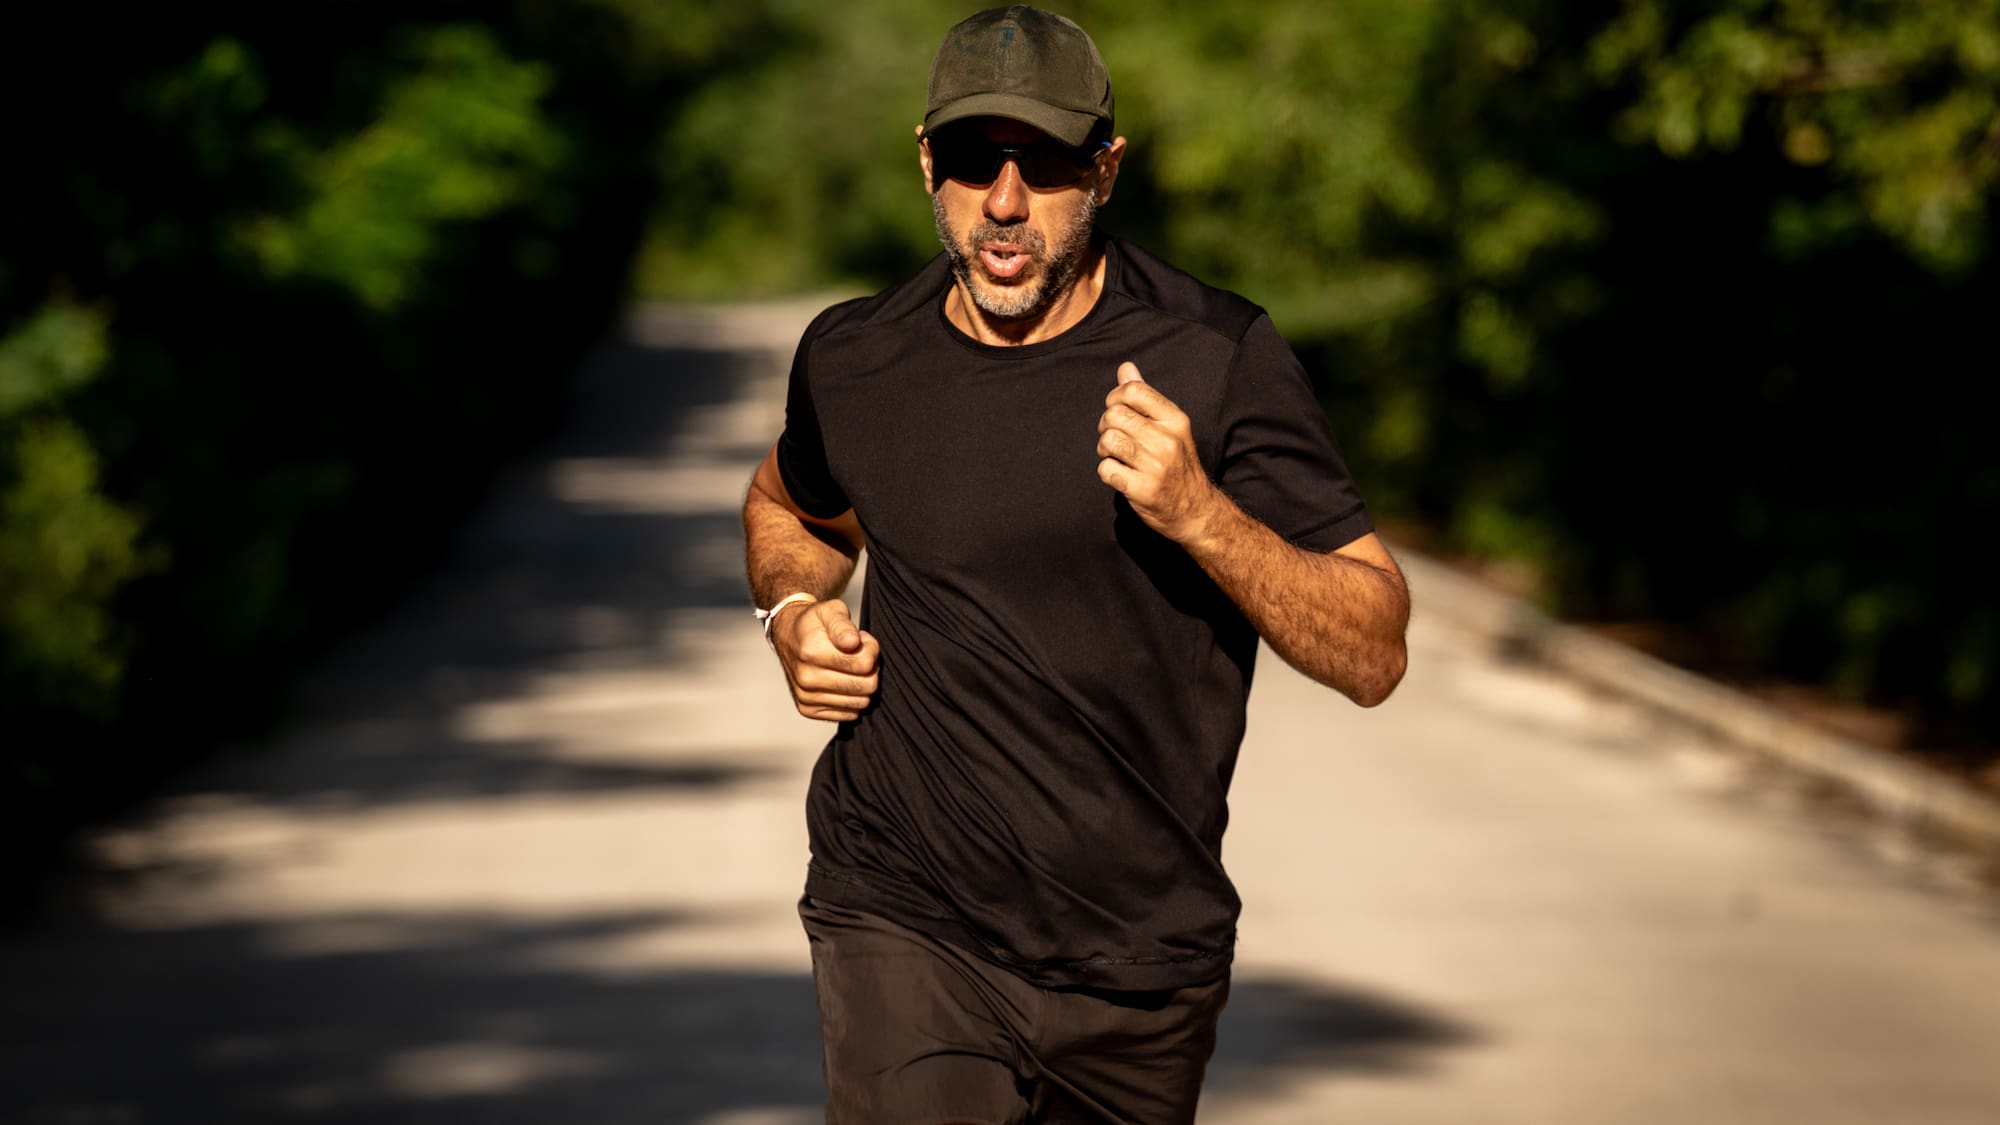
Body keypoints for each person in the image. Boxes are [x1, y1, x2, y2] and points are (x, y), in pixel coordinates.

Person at [741, 6, 1410, 1121]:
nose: (1004, 202)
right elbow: (786, 505)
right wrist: (793, 611)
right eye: (971, 159)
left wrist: (1204, 516)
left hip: (1140, 961)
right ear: (925, 163)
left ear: (1104, 169)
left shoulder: (1216, 356)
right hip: (903, 909)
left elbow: (1375, 649)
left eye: (1045, 161)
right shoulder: (856, 358)